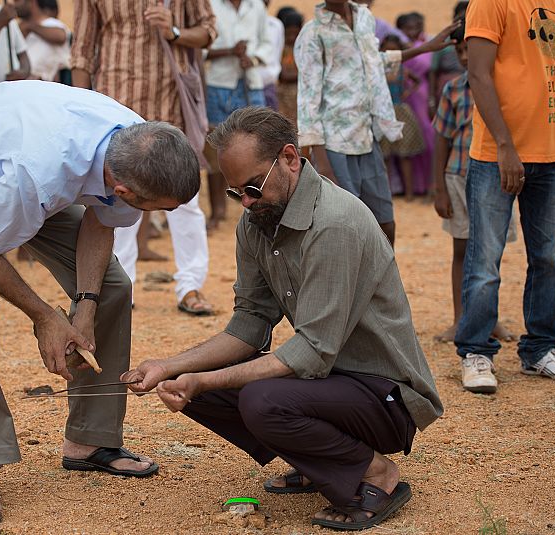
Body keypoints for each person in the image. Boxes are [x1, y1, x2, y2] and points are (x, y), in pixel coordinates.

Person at [122, 107, 443, 532]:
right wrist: (172, 367)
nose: (247, 202)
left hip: (385, 394)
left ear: (290, 158)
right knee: (203, 378)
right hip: (332, 384)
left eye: (252, 186)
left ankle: (376, 474)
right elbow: (250, 323)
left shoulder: (334, 224)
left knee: (258, 399)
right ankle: (316, 460)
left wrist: (202, 379)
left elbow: (312, 352)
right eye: (236, 192)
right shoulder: (257, 219)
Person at [0, 80, 200, 524]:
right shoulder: (41, 171)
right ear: (124, 189)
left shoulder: (139, 145)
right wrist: (45, 317)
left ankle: (89, 439)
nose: (156, 216)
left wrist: (83, 310)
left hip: (13, 166)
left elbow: (101, 223)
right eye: (157, 209)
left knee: (112, 289)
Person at [454, 0, 555, 393]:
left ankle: (541, 350)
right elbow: (478, 74)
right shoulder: (490, 3)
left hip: (552, 155)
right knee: (485, 259)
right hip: (496, 156)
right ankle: (476, 352)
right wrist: (504, 146)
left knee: (550, 260)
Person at [71, 0, 217, 316]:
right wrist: (82, 110)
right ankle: (125, 287)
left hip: (170, 105)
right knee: (116, 196)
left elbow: (208, 31)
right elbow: (82, 51)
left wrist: (175, 31)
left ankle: (190, 285)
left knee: (185, 200)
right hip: (114, 107)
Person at [295, 0, 459, 246]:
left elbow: (371, 60)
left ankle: (381, 282)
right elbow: (308, 96)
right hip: (334, 144)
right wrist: (324, 165)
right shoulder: (313, 32)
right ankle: (352, 283)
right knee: (345, 224)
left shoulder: (363, 18)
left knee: (384, 223)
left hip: (367, 137)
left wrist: (423, 49)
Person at [431, 23, 517, 345]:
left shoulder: (504, 87)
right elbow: (442, 140)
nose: (465, 57)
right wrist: (438, 187)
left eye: (469, 49)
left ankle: (488, 319)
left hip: (496, 178)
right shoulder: (453, 89)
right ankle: (459, 319)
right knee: (461, 249)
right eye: (459, 51)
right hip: (458, 177)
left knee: (490, 254)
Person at [204, 0, 271, 231]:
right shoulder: (210, 5)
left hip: (250, 82)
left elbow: (267, 43)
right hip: (218, 85)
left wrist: (251, 59)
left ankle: (261, 208)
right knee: (216, 148)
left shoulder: (257, 6)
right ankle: (217, 211)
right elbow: (201, 48)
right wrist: (230, 52)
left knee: (259, 146)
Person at [379, 35, 425, 201]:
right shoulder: (378, 68)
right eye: (386, 49)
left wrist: (407, 92)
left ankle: (409, 192)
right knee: (384, 156)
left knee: (404, 154)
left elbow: (417, 80)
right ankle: (387, 193)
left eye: (393, 50)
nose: (389, 52)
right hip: (384, 113)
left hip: (398, 112)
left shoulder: (401, 68)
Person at [395, 12, 435, 196]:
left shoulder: (426, 45)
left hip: (422, 94)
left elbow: (430, 71)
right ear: (400, 29)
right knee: (406, 138)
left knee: (428, 135)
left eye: (416, 27)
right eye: (408, 28)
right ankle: (411, 185)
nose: (413, 31)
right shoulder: (395, 48)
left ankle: (428, 184)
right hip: (401, 97)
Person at [17, 0, 69, 82]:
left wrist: (30, 26)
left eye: (17, 1)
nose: (14, 5)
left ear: (32, 2)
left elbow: (61, 36)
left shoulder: (51, 23)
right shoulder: (20, 28)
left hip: (48, 86)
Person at [429, 1, 468, 104]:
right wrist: (431, 100)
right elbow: (433, 70)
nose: (464, 57)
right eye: (459, 51)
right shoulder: (443, 41)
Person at [275, 8, 303, 126]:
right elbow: (283, 75)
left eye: (295, 34)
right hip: (283, 96)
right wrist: (304, 74)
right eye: (288, 34)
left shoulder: (302, 48)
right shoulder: (280, 48)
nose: (291, 38)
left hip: (299, 98)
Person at [258, 0, 283, 112]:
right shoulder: (242, 25)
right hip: (245, 86)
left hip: (268, 86)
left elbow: (277, 56)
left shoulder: (276, 25)